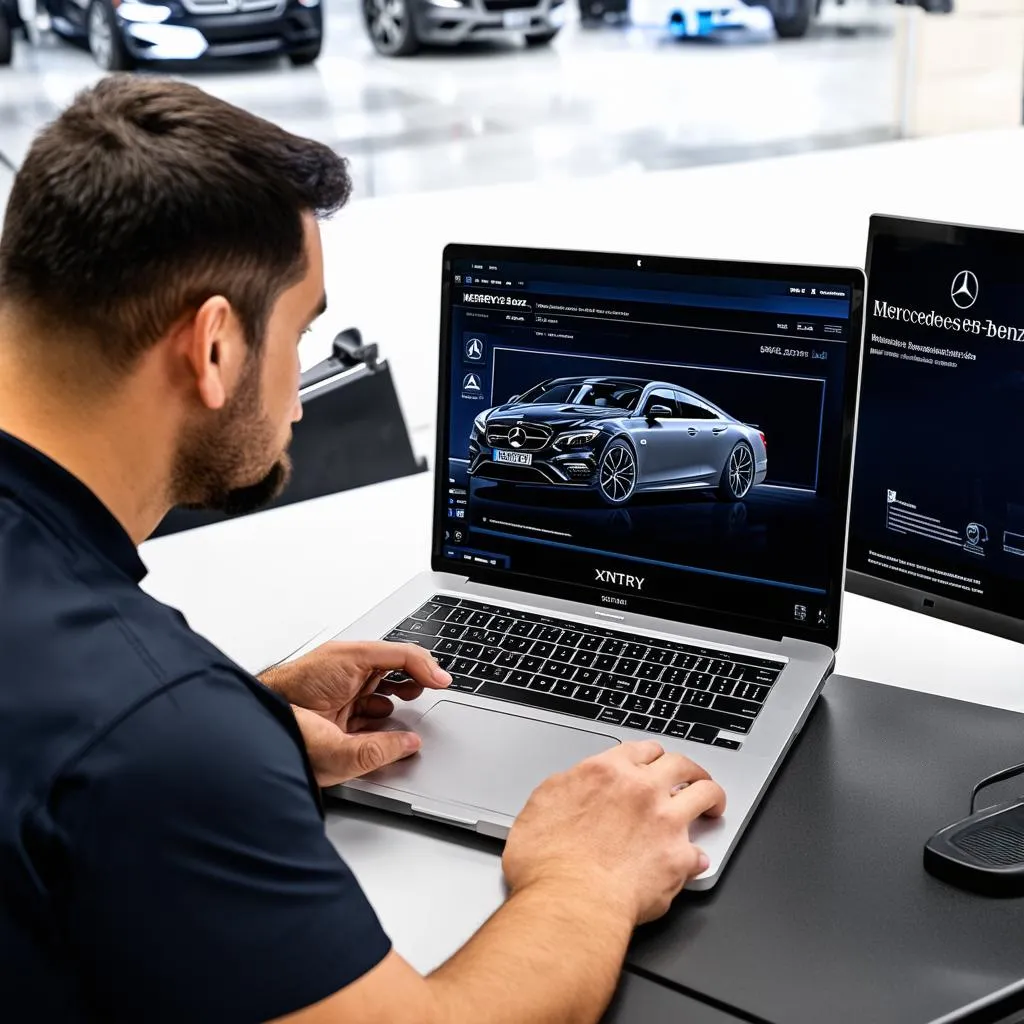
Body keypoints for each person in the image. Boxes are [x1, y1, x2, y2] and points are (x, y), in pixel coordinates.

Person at [0, 75, 726, 1024]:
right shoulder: (156, 732)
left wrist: (245, 721)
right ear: (213, 349)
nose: (300, 398)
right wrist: (584, 875)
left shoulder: (130, 714)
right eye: (298, 335)